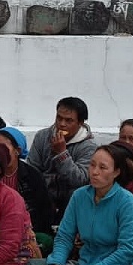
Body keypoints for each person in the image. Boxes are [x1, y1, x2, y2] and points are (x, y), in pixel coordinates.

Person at [26, 144, 133, 265]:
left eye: (103, 168)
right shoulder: (79, 196)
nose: (95, 172)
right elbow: (64, 236)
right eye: (92, 165)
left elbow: (128, 250)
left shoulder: (126, 201)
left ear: (116, 172)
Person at [27, 96, 98, 225]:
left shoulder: (89, 147)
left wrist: (61, 154)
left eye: (68, 120)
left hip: (72, 203)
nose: (62, 124)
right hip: (43, 199)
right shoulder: (42, 137)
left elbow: (80, 180)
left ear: (80, 122)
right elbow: (32, 171)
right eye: (59, 118)